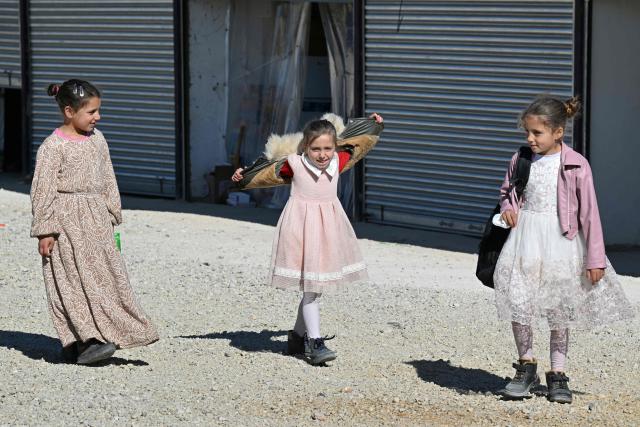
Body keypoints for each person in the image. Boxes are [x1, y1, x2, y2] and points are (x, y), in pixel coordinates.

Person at [493, 96, 634, 403]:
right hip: (524, 242)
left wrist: (595, 258)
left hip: (562, 243)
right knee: (521, 302)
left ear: (558, 132)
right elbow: (507, 192)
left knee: (559, 311)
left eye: (537, 133)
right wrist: (507, 207)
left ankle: (557, 374)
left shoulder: (576, 164)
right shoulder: (521, 159)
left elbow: (590, 215)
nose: (530, 138)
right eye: (527, 133)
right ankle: (525, 365)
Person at [232, 113, 383, 365]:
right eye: (315, 149)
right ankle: (314, 344)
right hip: (301, 230)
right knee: (312, 289)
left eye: (327, 148)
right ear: (305, 147)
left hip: (329, 230)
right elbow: (265, 172)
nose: (322, 154)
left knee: (315, 288)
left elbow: (359, 144)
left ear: (334, 146)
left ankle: (297, 337)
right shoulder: (294, 163)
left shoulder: (340, 159)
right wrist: (242, 175)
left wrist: (373, 123)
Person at [30, 79, 159, 365]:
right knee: (71, 281)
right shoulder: (52, 147)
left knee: (104, 277)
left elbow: (107, 176)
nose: (97, 117)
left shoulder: (97, 139)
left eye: (98, 111)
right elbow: (42, 191)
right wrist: (45, 230)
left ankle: (112, 332)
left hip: (96, 220)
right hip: (65, 222)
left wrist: (111, 212)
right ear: (68, 111)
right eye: (91, 112)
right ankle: (84, 341)